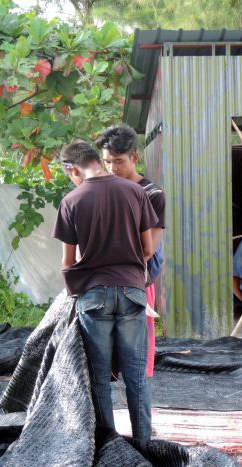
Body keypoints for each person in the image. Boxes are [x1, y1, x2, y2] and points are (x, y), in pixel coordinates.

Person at [52, 139, 158, 443]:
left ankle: (109, 446)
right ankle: (144, 444)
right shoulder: (135, 191)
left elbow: (68, 262)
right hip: (132, 293)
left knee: (99, 377)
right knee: (136, 376)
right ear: (99, 160)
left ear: (72, 168)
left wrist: (79, 287)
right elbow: (148, 249)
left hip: (93, 297)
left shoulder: (72, 201)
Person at [96, 124, 166, 377]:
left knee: (137, 333)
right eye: (107, 162)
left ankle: (139, 378)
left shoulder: (152, 194)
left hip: (139, 273)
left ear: (134, 158)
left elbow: (150, 248)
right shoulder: (101, 190)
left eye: (118, 162)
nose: (112, 168)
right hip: (106, 273)